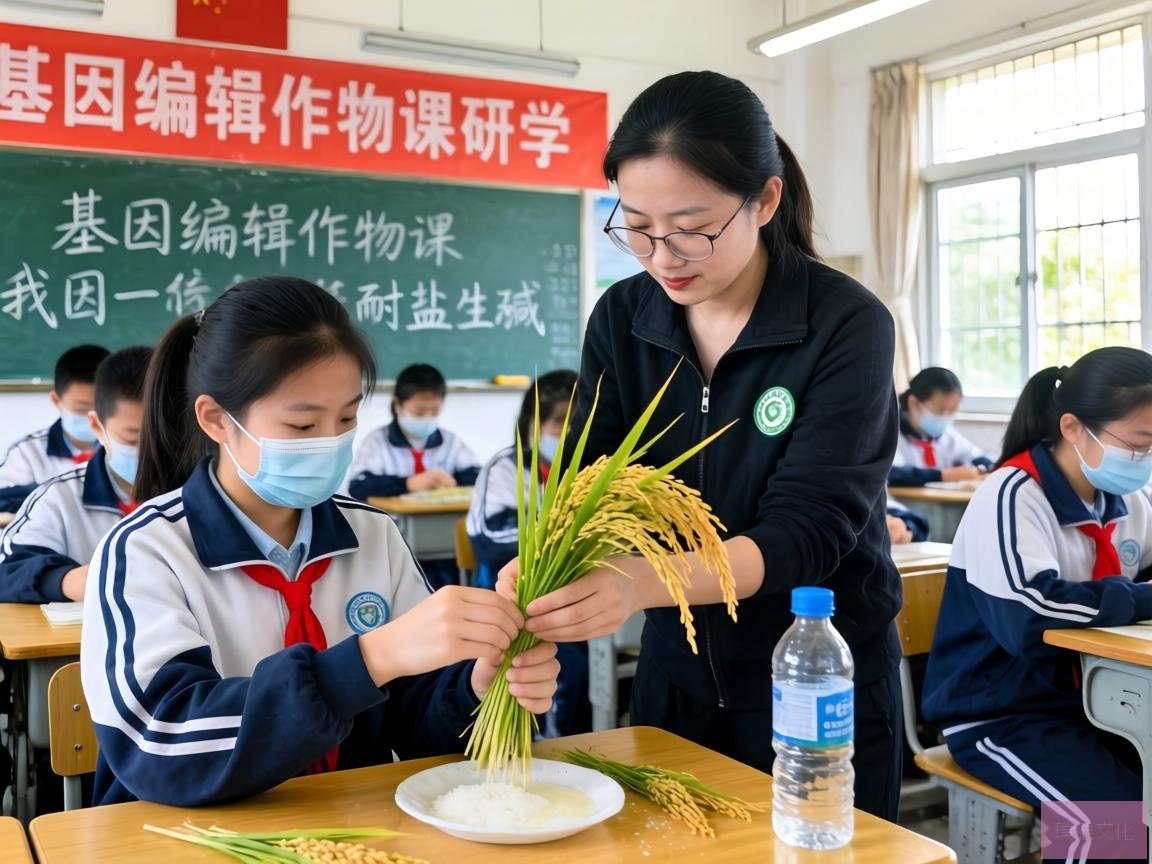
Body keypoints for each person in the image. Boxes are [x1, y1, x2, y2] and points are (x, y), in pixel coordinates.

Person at [498, 71, 904, 820]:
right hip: (675, 680)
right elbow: (589, 479)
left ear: (766, 200)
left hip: (812, 680)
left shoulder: (846, 324)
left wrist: (637, 586)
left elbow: (807, 532)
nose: (662, 255)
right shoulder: (624, 318)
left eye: (691, 227)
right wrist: (553, 562)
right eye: (636, 226)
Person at [80, 278, 558, 807]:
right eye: (303, 424)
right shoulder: (145, 550)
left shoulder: (372, 535)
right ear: (217, 420)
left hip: (348, 827)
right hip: (183, 833)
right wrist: (369, 659)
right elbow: (164, 741)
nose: (331, 441)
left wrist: (478, 688)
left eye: (347, 417)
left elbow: (419, 721)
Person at [923, 348, 1152, 841]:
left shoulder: (1129, 500)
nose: (1147, 459)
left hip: (1098, 704)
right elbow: (1028, 615)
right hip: (1000, 714)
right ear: (1074, 428)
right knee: (1112, 823)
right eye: (1140, 444)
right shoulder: (1012, 494)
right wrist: (1138, 598)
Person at [466, 369, 588, 736]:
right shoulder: (505, 467)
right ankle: (547, 740)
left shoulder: (586, 470)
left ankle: (576, 741)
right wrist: (559, 534)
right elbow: (489, 536)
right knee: (560, 667)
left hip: (570, 601)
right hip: (510, 602)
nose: (567, 432)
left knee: (582, 666)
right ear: (532, 423)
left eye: (576, 422)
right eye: (558, 422)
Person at [0, 347, 150, 603]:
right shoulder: (55, 494)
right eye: (133, 439)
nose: (151, 452)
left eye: (165, 438)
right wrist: (70, 580)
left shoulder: (198, 491)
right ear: (97, 426)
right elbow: (9, 573)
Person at [0, 344, 109, 512]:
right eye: (81, 408)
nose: (92, 417)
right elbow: (4, 504)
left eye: (101, 408)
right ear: (56, 401)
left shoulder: (129, 449)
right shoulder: (26, 452)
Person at [347, 363, 480, 499]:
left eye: (435, 411)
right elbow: (358, 486)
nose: (428, 418)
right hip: (390, 513)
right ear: (398, 404)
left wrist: (450, 480)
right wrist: (407, 484)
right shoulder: (377, 441)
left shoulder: (450, 441)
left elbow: (478, 476)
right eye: (419, 412)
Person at [889, 367, 992, 487]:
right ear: (913, 403)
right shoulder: (891, 434)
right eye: (940, 410)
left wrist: (985, 469)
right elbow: (892, 473)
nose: (946, 417)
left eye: (952, 411)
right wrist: (946, 475)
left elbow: (979, 457)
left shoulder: (947, 436)